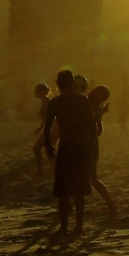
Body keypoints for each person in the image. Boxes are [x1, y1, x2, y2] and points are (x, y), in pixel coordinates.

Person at [44, 70, 96, 234]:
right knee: (80, 189)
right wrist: (90, 147)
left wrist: (48, 146)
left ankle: (64, 226)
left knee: (63, 190)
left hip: (65, 147)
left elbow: (47, 129)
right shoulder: (83, 100)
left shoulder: (55, 103)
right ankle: (79, 225)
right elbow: (92, 128)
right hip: (81, 147)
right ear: (72, 83)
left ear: (58, 84)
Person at [87, 85, 117, 217]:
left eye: (103, 97)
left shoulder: (94, 108)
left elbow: (97, 131)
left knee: (92, 179)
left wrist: (98, 117)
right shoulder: (86, 104)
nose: (101, 99)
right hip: (83, 144)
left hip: (90, 145)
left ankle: (111, 205)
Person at [32, 83, 55, 174]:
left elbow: (50, 118)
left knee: (38, 149)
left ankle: (41, 170)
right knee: (44, 150)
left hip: (51, 129)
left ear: (41, 92)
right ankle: (40, 170)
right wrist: (40, 127)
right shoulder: (45, 102)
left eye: (36, 91)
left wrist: (44, 128)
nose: (34, 93)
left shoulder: (47, 103)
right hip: (49, 128)